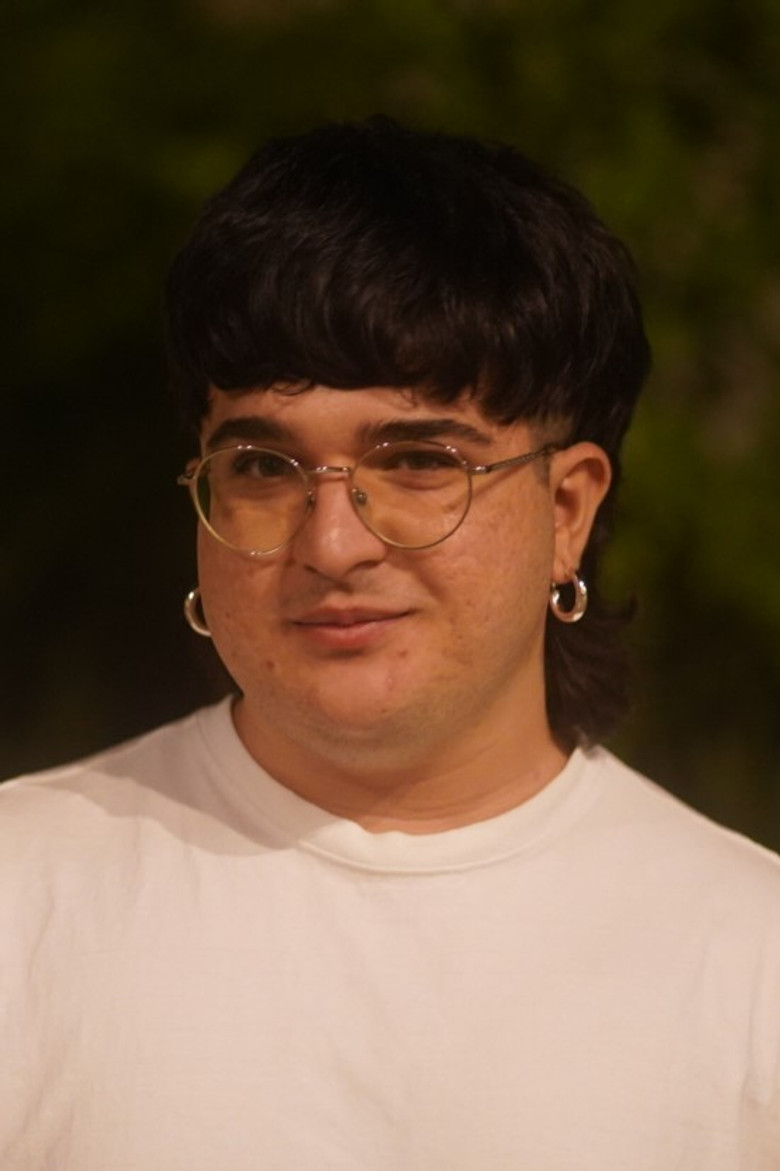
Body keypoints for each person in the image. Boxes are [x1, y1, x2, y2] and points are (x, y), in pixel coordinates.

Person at [2, 117, 778, 1170]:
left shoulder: (749, 967)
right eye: (264, 467)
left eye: (417, 462)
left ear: (567, 510)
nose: (332, 543)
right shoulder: (23, 898)